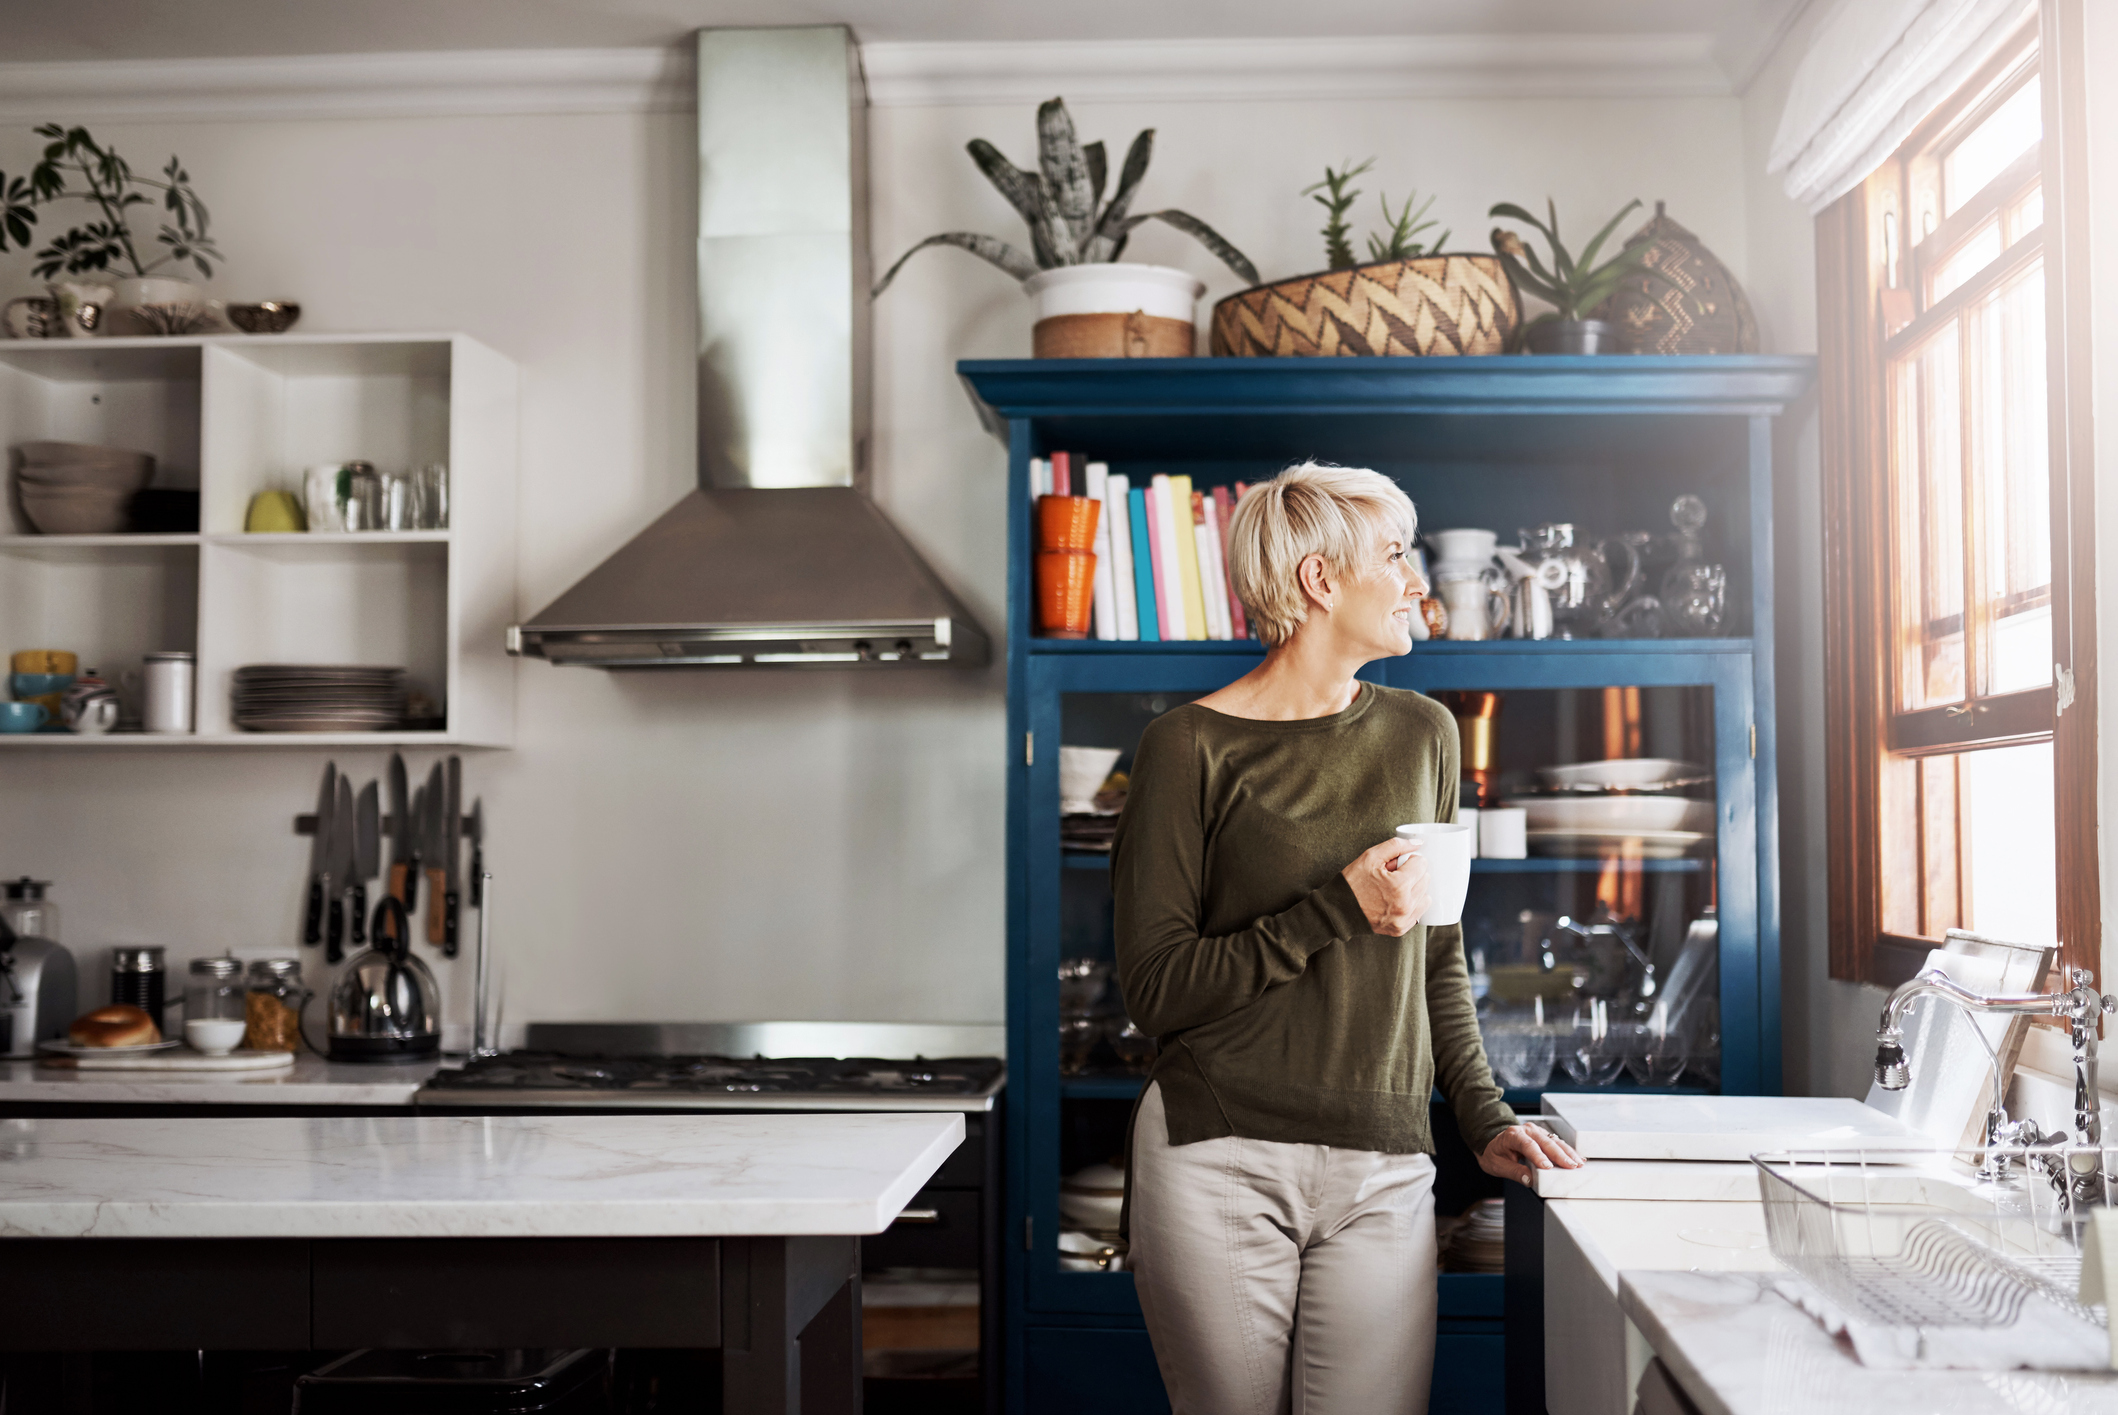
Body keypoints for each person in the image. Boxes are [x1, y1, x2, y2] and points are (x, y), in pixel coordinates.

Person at [1111, 462, 1583, 1415]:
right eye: (1397, 556)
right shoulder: (1185, 747)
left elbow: (1433, 952)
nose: (1419, 584)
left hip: (1387, 1162)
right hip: (1218, 1154)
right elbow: (1155, 989)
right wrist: (1335, 907)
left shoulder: (1424, 732)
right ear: (1321, 582)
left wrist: (1484, 1116)